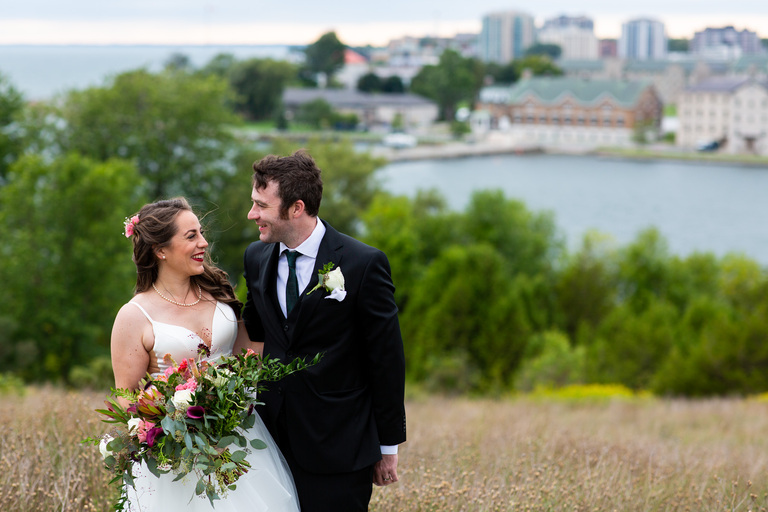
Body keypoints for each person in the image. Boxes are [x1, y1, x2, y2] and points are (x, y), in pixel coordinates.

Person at [110, 197, 300, 512]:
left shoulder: (219, 292)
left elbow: (249, 358)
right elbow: (126, 397)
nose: (204, 242)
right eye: (191, 236)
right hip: (178, 455)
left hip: (241, 438)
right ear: (161, 250)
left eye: (200, 232)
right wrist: (173, 423)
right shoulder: (134, 315)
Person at [242, 150, 407, 511]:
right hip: (267, 442)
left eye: (260, 205)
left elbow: (387, 358)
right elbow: (252, 329)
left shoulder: (363, 264)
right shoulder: (255, 258)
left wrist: (387, 446)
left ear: (296, 207)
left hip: (339, 447)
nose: (252, 214)